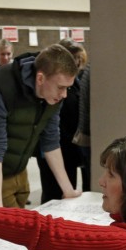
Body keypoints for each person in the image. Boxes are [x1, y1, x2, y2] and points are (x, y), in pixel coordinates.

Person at [0, 43, 81, 208]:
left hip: (19, 166)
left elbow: (51, 140)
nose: (64, 95)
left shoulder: (53, 94)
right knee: (7, 227)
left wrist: (68, 190)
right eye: (61, 88)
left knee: (21, 220)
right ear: (40, 78)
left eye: (68, 88)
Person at [37, 38, 90, 203]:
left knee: (67, 191)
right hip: (54, 147)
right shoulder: (53, 86)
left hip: (68, 147)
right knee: (53, 192)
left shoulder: (73, 83)